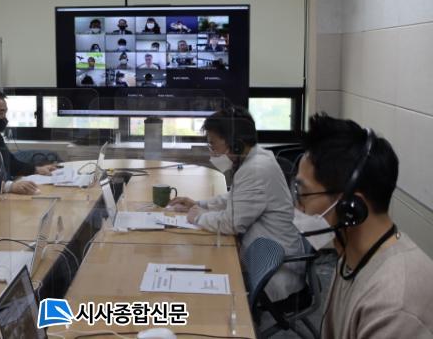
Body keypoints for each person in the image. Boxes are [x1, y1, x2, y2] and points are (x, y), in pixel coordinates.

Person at [294, 113, 433, 338]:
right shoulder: (351, 259)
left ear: (350, 207)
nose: (298, 207)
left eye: (303, 193)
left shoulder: (395, 304)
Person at [168, 107, 305, 305]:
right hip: (264, 254)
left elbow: (231, 223)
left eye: (213, 144)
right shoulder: (258, 158)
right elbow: (235, 197)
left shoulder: (255, 169)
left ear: (235, 144)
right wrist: (198, 204)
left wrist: (198, 217)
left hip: (271, 269)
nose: (212, 152)